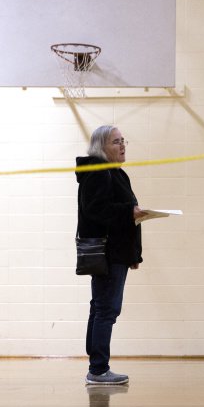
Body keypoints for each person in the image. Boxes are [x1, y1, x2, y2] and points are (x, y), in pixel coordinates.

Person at [76, 125, 147, 385]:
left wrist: (133, 255)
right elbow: (97, 211)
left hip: (117, 253)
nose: (122, 145)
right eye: (116, 142)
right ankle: (98, 369)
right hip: (107, 255)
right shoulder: (97, 173)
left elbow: (118, 214)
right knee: (107, 310)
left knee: (101, 308)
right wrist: (130, 212)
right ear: (101, 147)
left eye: (123, 141)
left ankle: (97, 365)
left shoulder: (114, 173)